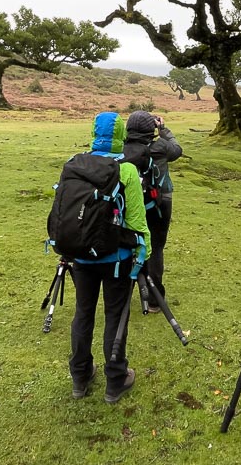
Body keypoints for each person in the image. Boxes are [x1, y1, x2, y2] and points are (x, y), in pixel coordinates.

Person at [70, 112, 150, 404]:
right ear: (120, 136)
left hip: (80, 255)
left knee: (83, 313)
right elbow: (138, 223)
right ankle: (115, 380)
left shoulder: (74, 163)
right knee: (115, 315)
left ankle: (80, 376)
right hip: (117, 258)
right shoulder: (126, 170)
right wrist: (143, 256)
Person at [122, 110, 183, 305]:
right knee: (156, 247)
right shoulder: (161, 146)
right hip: (159, 202)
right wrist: (163, 129)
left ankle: (123, 294)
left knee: (128, 244)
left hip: (129, 203)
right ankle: (155, 299)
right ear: (152, 128)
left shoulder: (122, 149)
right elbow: (177, 150)